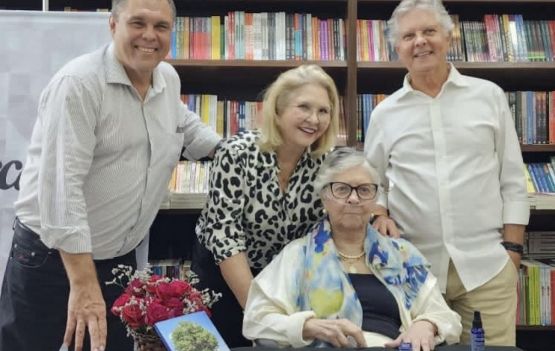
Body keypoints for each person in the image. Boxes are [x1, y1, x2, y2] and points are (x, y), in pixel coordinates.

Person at [0, 0, 221, 350]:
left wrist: (229, 150)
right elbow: (62, 189)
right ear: (113, 26)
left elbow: (183, 124)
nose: (149, 36)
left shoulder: (167, 78)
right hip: (53, 259)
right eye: (138, 23)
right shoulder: (79, 84)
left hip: (117, 259)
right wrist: (84, 286)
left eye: (161, 27)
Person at [364, 0, 529, 346]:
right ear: (398, 48)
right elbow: (371, 182)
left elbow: (513, 181)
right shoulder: (385, 113)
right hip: (414, 274)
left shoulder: (489, 97)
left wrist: (512, 253)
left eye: (429, 31)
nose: (420, 41)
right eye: (409, 36)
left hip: (486, 269)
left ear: (449, 37)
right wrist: (379, 212)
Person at [243, 147, 462, 350]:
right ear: (324, 198)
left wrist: (426, 324)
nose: (354, 199)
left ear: (375, 198)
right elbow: (256, 320)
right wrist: (307, 326)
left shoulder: (402, 255)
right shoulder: (297, 256)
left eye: (364, 190)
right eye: (341, 189)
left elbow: (446, 317)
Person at [192, 64, 340, 347]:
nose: (314, 119)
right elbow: (226, 238)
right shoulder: (236, 152)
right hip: (225, 275)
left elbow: (321, 234)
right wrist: (260, 314)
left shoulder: (325, 163)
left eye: (324, 111)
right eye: (304, 107)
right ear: (278, 110)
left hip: (284, 280)